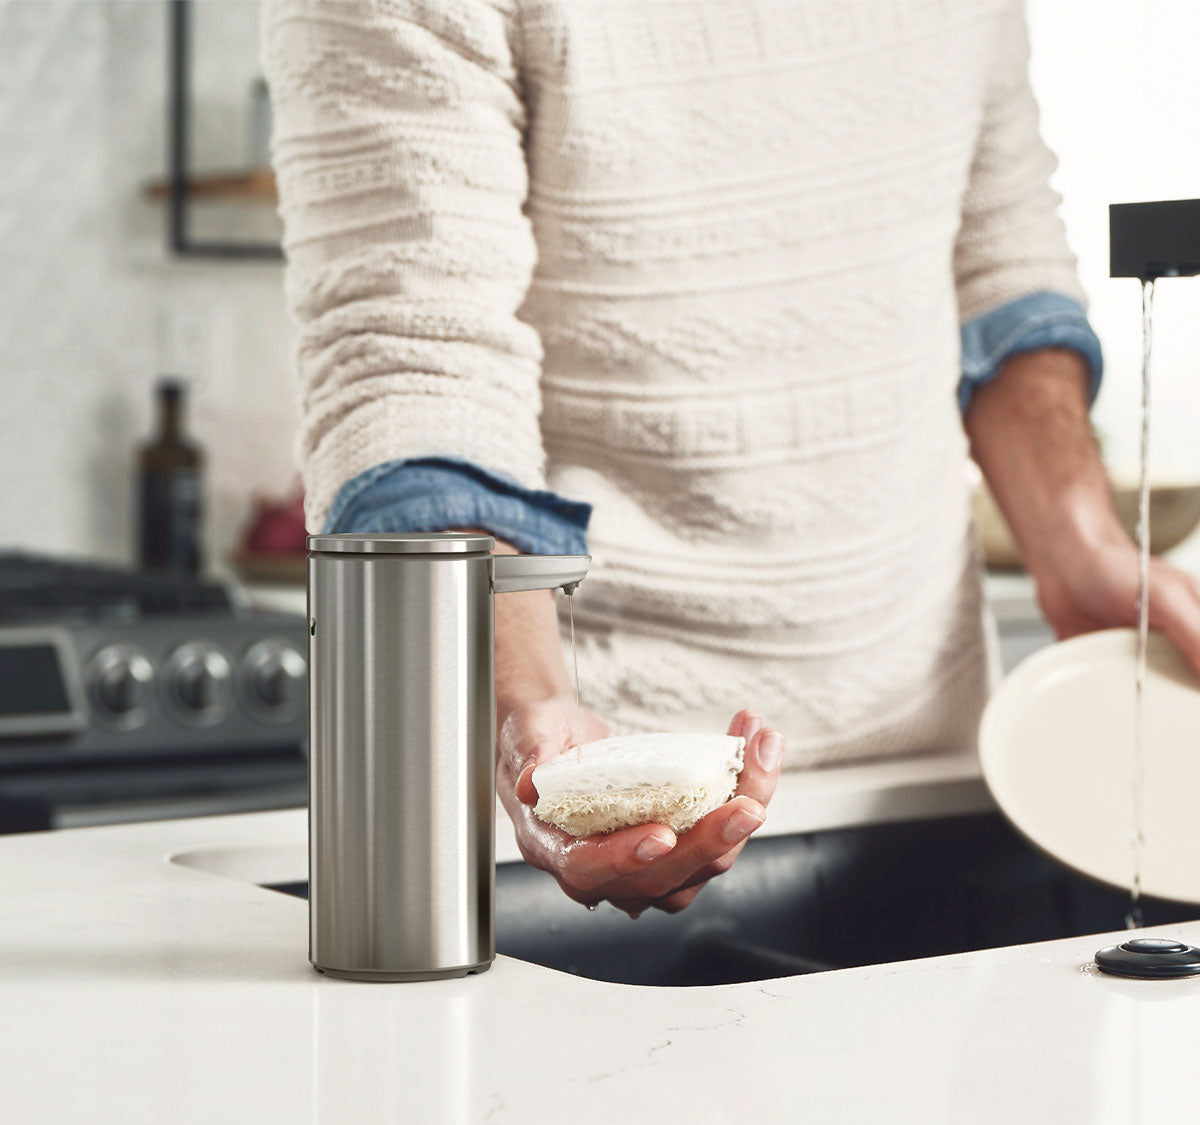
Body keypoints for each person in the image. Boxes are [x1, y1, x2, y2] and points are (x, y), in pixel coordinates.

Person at [263, 0, 1200, 918]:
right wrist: (527, 706)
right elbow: (415, 356)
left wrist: (1075, 535)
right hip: (574, 783)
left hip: (937, 775)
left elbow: (1001, 261)